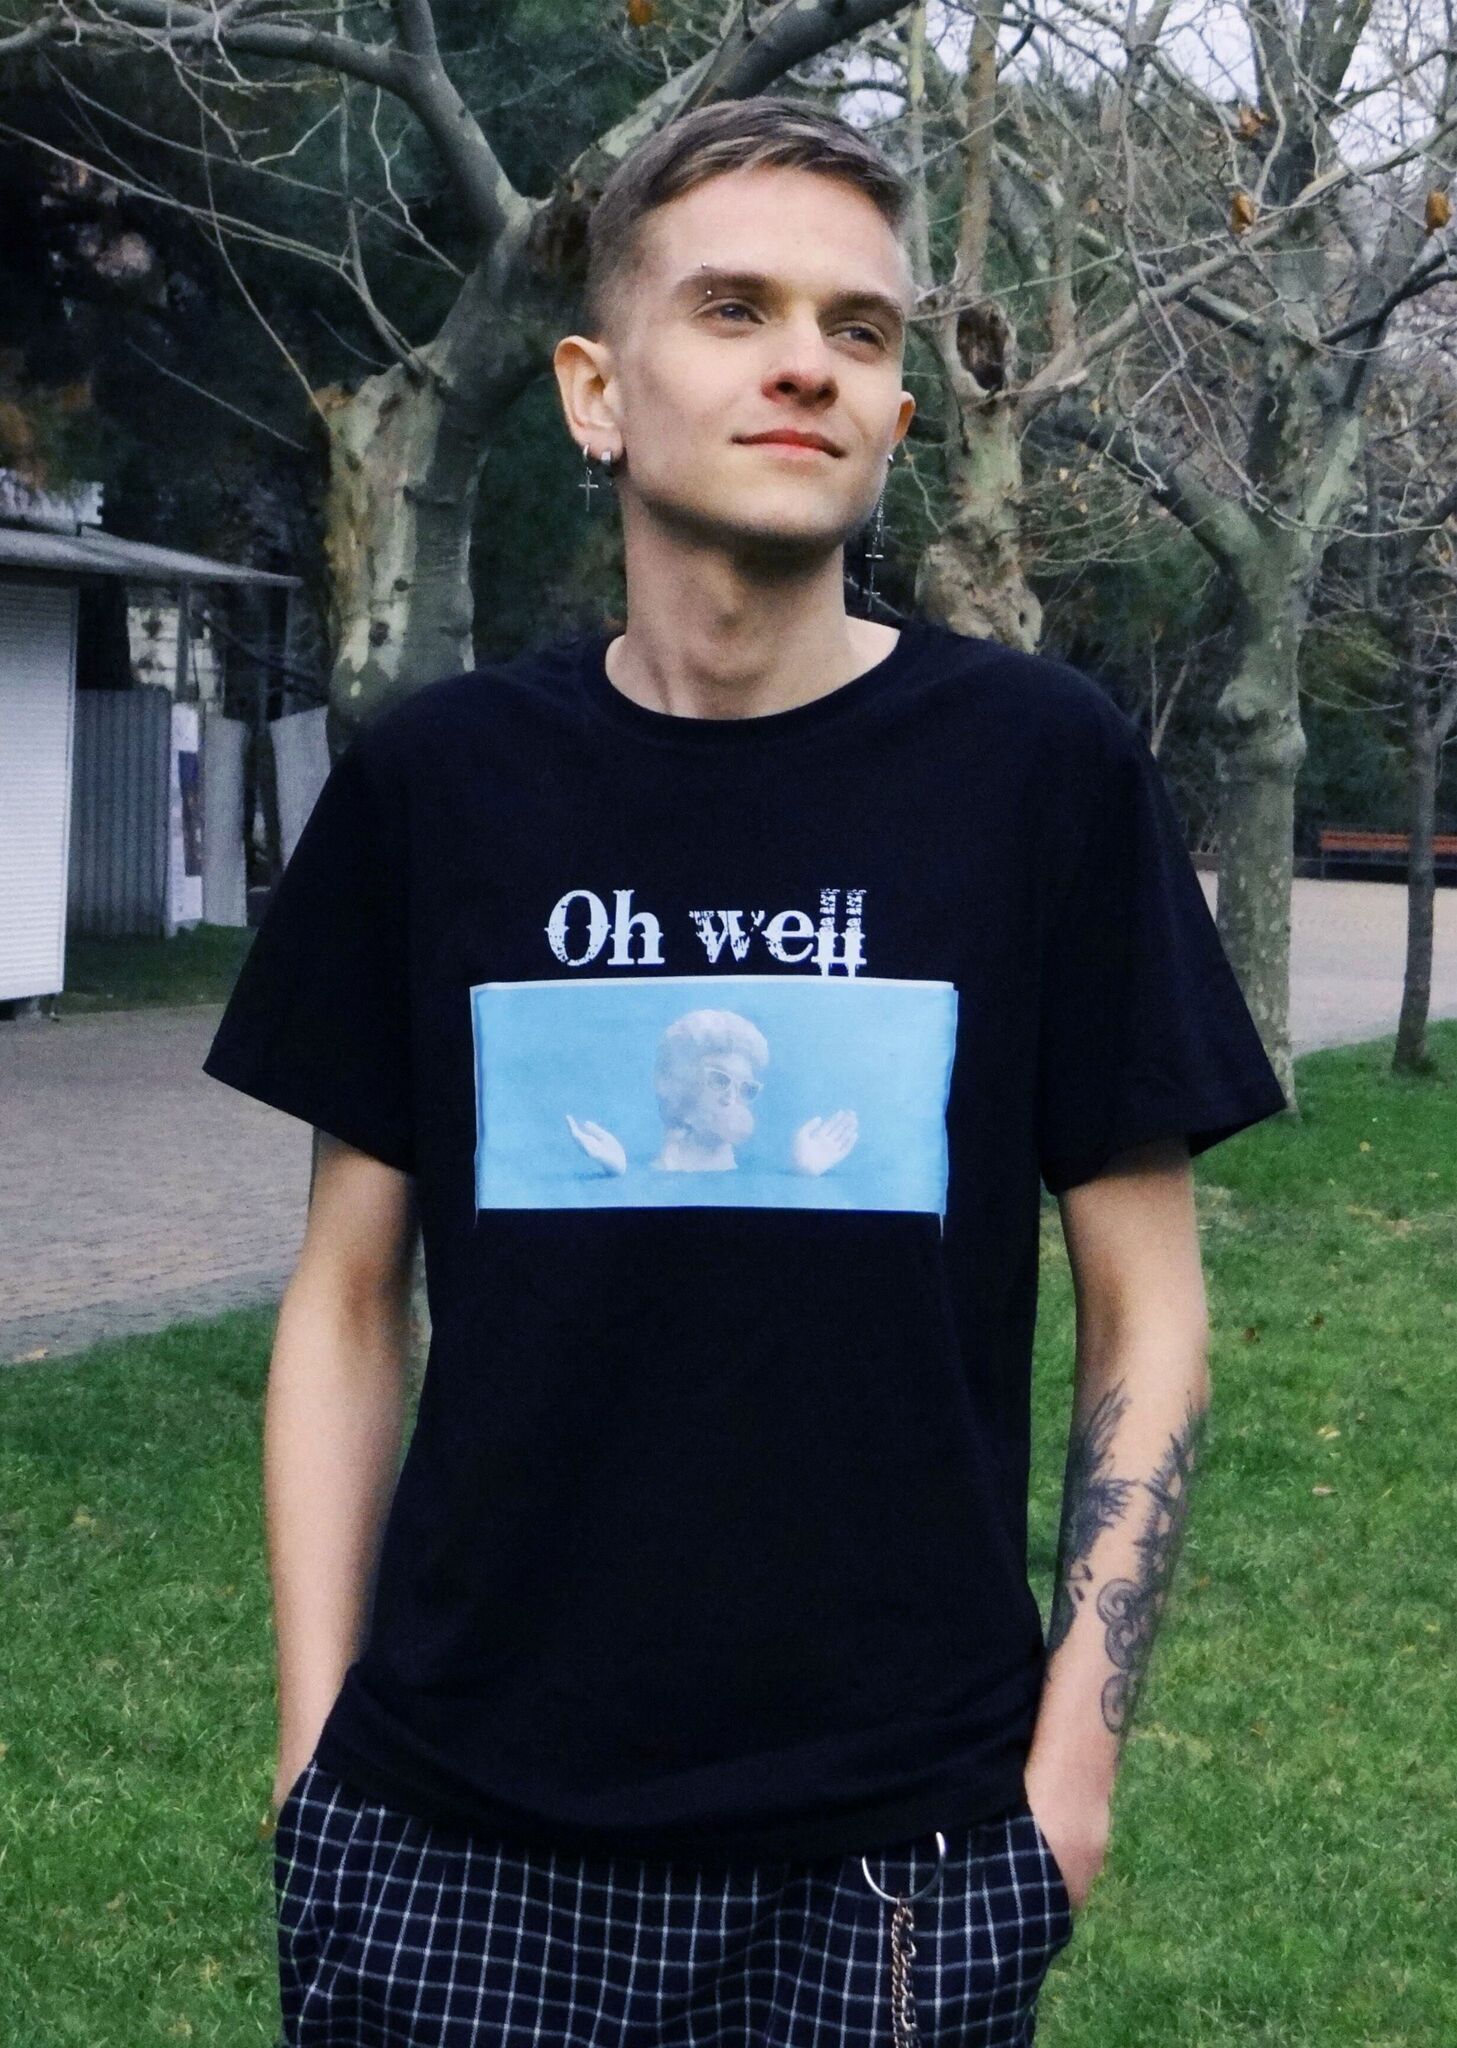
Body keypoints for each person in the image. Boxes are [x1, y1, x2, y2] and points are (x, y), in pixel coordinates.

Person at [203, 92, 1289, 2048]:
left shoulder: (1040, 773)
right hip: (445, 1828)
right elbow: (348, 1295)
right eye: (735, 308)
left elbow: (1148, 1307)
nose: (809, 361)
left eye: (858, 329)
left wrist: (1070, 1782)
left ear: (893, 413)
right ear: (594, 393)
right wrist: (314, 1746)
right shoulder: (441, 787)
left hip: (898, 1859)